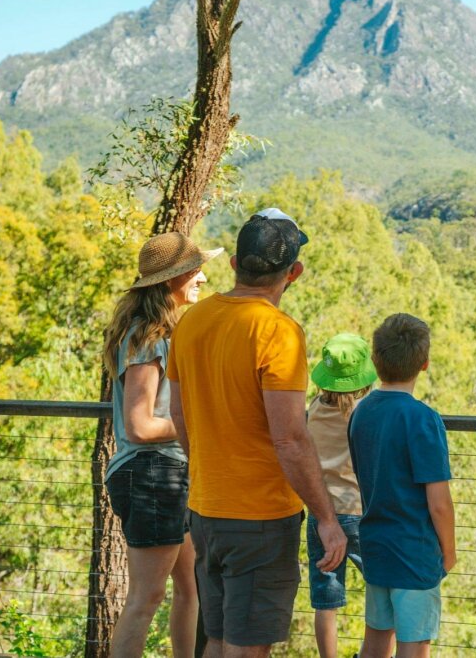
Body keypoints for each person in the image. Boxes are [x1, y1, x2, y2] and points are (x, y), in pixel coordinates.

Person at [167, 209, 347, 658]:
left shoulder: (191, 322)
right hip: (260, 517)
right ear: (294, 273)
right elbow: (289, 438)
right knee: (249, 647)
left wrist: (207, 472)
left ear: (234, 264)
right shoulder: (278, 332)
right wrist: (327, 518)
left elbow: (179, 414)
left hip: (205, 509)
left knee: (220, 637)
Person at [102, 232, 221, 658]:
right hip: (152, 474)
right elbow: (138, 426)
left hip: (169, 474)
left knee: (191, 588)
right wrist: (198, 423)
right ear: (172, 279)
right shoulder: (149, 337)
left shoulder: (167, 332)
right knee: (145, 600)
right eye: (194, 270)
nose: (203, 278)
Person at [349, 314, 455, 658]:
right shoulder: (422, 418)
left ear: (376, 360)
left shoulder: (361, 412)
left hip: (376, 545)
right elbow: (438, 503)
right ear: (423, 364)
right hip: (414, 550)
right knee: (414, 643)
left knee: (377, 638)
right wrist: (449, 553)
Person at [305, 332, 376, 658]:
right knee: (381, 589)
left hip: (323, 514)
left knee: (326, 599)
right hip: (361, 512)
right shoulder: (366, 412)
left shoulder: (314, 408)